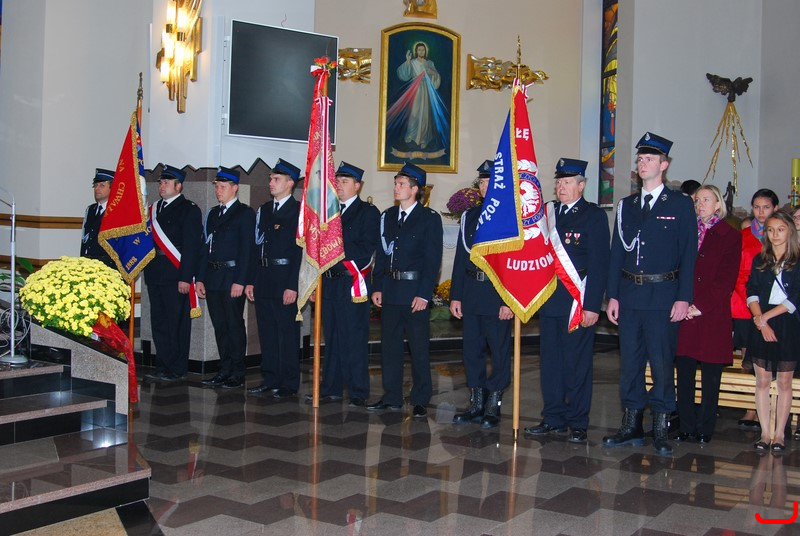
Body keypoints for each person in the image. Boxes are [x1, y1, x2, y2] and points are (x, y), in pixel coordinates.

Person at [604, 132, 697, 456]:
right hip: (630, 295)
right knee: (630, 363)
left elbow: (688, 254)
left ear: (664, 165)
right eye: (640, 159)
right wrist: (613, 295)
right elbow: (617, 253)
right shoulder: (627, 205)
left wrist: (684, 297)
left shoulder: (680, 204)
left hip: (662, 295)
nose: (643, 164)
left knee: (660, 363)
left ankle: (660, 425)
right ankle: (631, 424)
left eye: (650, 159)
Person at [524, 158, 610, 443]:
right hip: (549, 301)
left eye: (568, 182)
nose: (561, 187)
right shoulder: (547, 213)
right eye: (559, 182)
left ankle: (578, 421)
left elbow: (600, 265)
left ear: (581, 185)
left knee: (577, 365)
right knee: (550, 364)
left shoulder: (593, 216)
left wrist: (592, 306)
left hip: (577, 302)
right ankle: (553, 418)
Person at [367, 162, 443, 418]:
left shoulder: (429, 219)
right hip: (390, 290)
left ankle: (420, 398)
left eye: (401, 184)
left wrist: (424, 294)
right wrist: (377, 286)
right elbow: (381, 255)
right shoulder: (387, 216)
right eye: (395, 183)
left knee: (418, 348)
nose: (396, 188)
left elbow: (432, 261)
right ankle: (392, 396)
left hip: (413, 293)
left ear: (414, 189)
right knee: (389, 347)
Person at [306, 162, 380, 406]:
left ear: (357, 186)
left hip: (351, 282)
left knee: (354, 338)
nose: (338, 185)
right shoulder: (328, 212)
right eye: (337, 181)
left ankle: (358, 390)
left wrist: (335, 258)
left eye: (345, 181)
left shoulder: (367, 212)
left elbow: (366, 249)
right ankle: (331, 387)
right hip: (329, 283)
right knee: (332, 337)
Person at [674, 185, 741, 444]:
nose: (700, 204)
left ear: (718, 205)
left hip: (711, 313)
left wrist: (700, 306)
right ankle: (686, 425)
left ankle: (705, 427)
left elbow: (726, 280)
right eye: (696, 200)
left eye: (705, 200)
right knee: (685, 373)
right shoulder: (686, 231)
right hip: (685, 310)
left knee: (711, 376)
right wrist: (684, 303)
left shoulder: (729, 236)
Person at [450, 160, 514, 429]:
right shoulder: (470, 216)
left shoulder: (509, 217)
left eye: (490, 181)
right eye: (482, 182)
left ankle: (493, 402)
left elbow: (513, 264)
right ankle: (476, 401)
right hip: (472, 292)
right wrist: (456, 295)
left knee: (499, 350)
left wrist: (508, 300)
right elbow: (460, 258)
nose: (485, 186)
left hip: (497, 293)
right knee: (472, 350)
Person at [246, 159, 303, 399]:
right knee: (267, 333)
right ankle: (270, 379)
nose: (271, 182)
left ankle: (289, 382)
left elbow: (300, 252)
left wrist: (293, 285)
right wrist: (251, 280)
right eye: (270, 178)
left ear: (290, 183)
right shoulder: (264, 210)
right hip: (264, 278)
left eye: (276, 179)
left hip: (284, 278)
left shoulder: (299, 211)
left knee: (287, 333)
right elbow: (255, 247)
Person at [197, 167, 255, 389]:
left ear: (235, 188)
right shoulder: (213, 214)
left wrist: (240, 280)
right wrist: (200, 278)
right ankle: (224, 369)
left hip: (232, 277)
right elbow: (206, 248)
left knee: (234, 325)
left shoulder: (244, 213)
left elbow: (247, 250)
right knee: (220, 326)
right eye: (217, 187)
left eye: (222, 187)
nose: (218, 191)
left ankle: (237, 372)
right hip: (213, 277)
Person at [746, 210, 800, 453]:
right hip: (761, 321)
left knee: (785, 382)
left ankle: (779, 435)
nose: (775, 234)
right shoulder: (761, 259)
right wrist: (760, 320)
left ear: (790, 231)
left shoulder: (797, 260)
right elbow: (751, 290)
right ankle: (765, 433)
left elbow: (795, 297)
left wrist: (765, 318)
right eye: (770, 230)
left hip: (787, 322)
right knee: (763, 380)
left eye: (780, 229)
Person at [143, 165, 203, 382]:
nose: (162, 186)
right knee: (159, 322)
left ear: (179, 186)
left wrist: (185, 277)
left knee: (176, 323)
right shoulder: (153, 209)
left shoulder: (189, 209)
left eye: (167, 182)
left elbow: (192, 247)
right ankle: (163, 365)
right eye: (161, 182)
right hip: (155, 272)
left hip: (176, 274)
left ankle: (177, 368)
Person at [732, 189, 779, 431]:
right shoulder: (742, 236)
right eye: (757, 207)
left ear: (775, 209)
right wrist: (753, 305)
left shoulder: (780, 236)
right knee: (748, 358)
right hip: (745, 304)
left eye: (766, 207)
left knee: (773, 357)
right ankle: (750, 407)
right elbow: (737, 272)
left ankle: (772, 407)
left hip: (774, 306)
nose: (761, 212)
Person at [388, 42, 446, 152]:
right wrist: (408, 61)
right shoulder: (413, 62)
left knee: (425, 115)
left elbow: (436, 77)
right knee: (414, 113)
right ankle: (411, 134)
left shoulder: (430, 63)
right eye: (419, 50)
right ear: (416, 51)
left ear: (425, 51)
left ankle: (424, 138)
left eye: (423, 50)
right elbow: (404, 75)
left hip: (426, 91)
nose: (421, 52)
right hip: (415, 90)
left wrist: (432, 73)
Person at [80, 168, 116, 268]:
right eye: (95, 185)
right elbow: (85, 238)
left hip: (108, 265)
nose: (97, 188)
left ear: (112, 188)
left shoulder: (116, 211)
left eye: (102, 185)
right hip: (89, 264)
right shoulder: (90, 210)